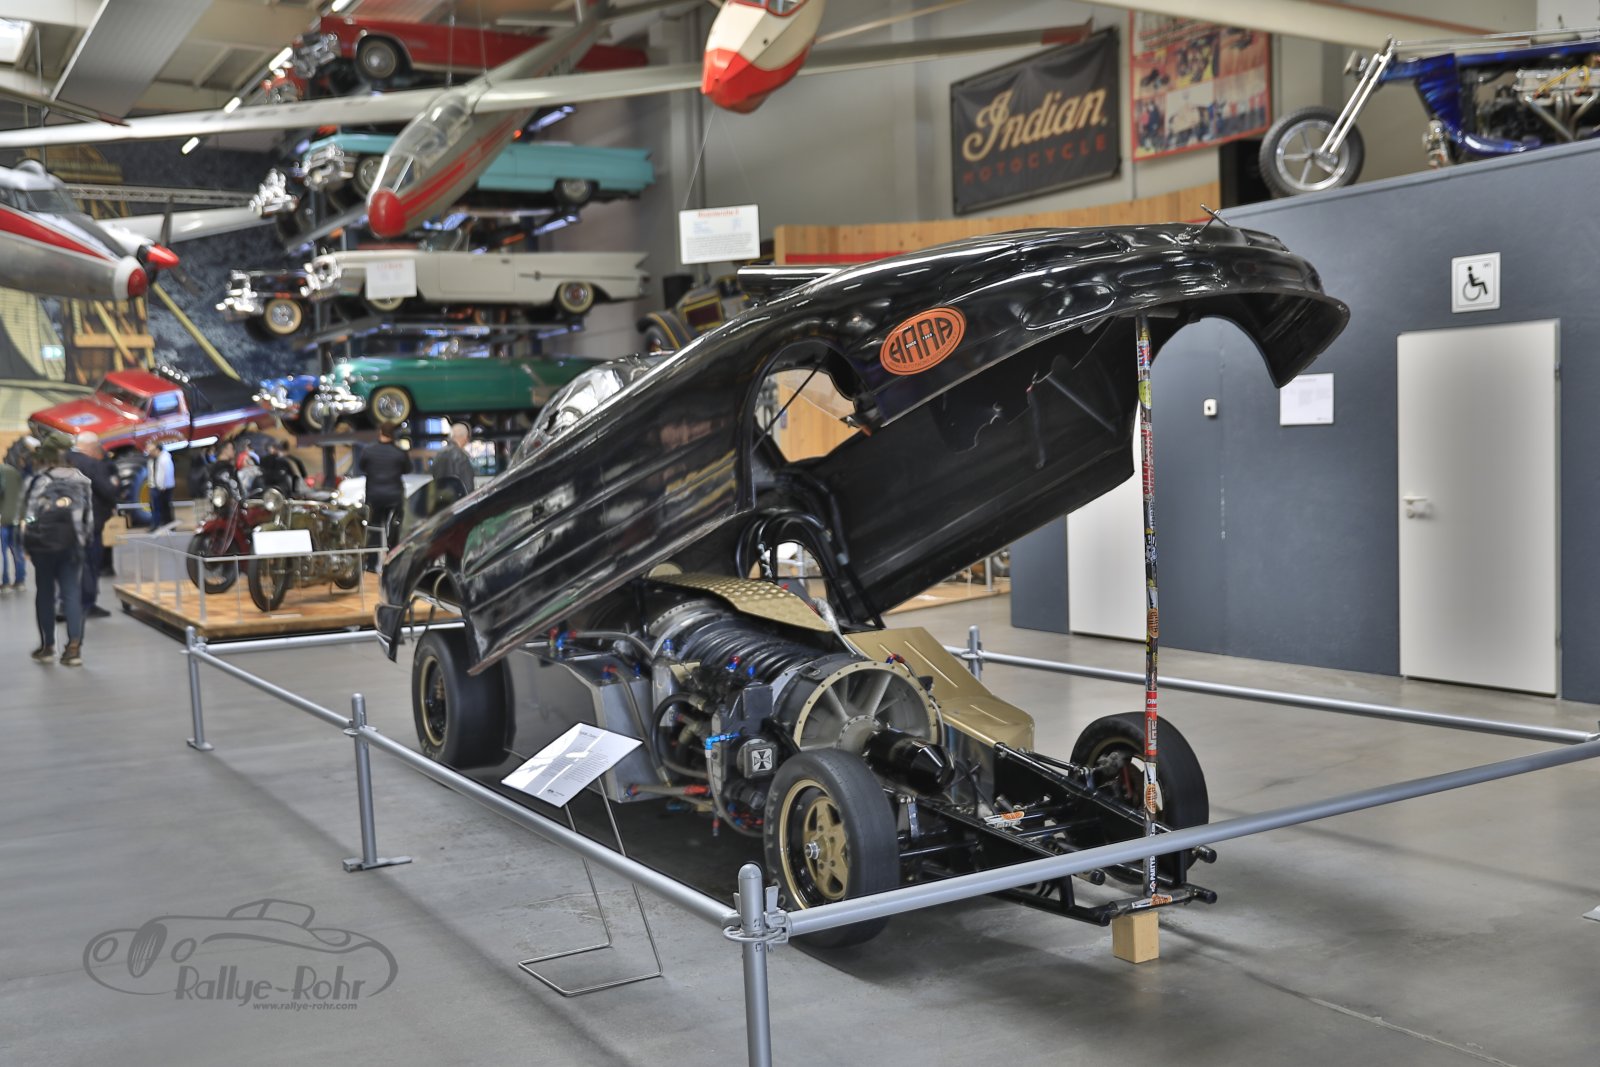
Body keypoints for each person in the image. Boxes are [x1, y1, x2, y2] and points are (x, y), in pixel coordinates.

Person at [23, 440, 93, 666]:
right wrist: (83, 540)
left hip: (44, 547)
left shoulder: (39, 481)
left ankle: (47, 647)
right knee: (72, 593)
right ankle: (74, 648)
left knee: (44, 594)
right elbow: (88, 517)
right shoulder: (83, 480)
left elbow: (30, 515)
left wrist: (28, 544)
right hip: (73, 546)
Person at [67, 431, 118, 619]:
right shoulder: (91, 465)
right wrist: (115, 489)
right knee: (89, 563)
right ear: (91, 447)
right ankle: (87, 605)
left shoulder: (60, 461)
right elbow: (107, 490)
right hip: (89, 523)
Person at [357, 424, 409, 571]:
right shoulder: (399, 452)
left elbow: (362, 467)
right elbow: (407, 469)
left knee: (374, 528)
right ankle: (392, 561)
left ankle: (371, 564)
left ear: (380, 432)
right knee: (394, 528)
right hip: (394, 497)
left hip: (374, 497)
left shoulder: (368, 450)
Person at [0, 444, 25, 589]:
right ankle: (20, 580)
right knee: (17, 550)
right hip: (16, 516)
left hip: (2, 518)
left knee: (3, 552)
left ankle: (5, 582)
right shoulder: (13, 471)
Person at [429, 422, 475, 497]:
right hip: (459, 500)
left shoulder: (439, 454)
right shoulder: (462, 456)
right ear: (464, 437)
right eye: (467, 437)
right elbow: (468, 486)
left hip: (442, 499)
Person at [144, 439, 175, 528]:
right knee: (155, 506)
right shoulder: (152, 459)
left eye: (151, 450)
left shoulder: (165, 459)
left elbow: (167, 473)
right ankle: (157, 524)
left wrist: (162, 486)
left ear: (157, 450)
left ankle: (168, 525)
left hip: (164, 487)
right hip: (154, 486)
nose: (149, 452)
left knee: (165, 507)